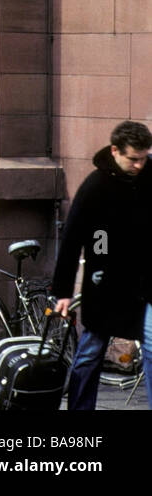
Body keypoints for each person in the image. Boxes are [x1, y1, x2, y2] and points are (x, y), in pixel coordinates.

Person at [52, 121, 152, 410]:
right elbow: (71, 240)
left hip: (146, 285)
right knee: (90, 353)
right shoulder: (96, 186)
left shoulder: (151, 177)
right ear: (115, 151)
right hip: (105, 284)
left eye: (144, 158)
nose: (139, 165)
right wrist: (63, 291)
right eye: (133, 159)